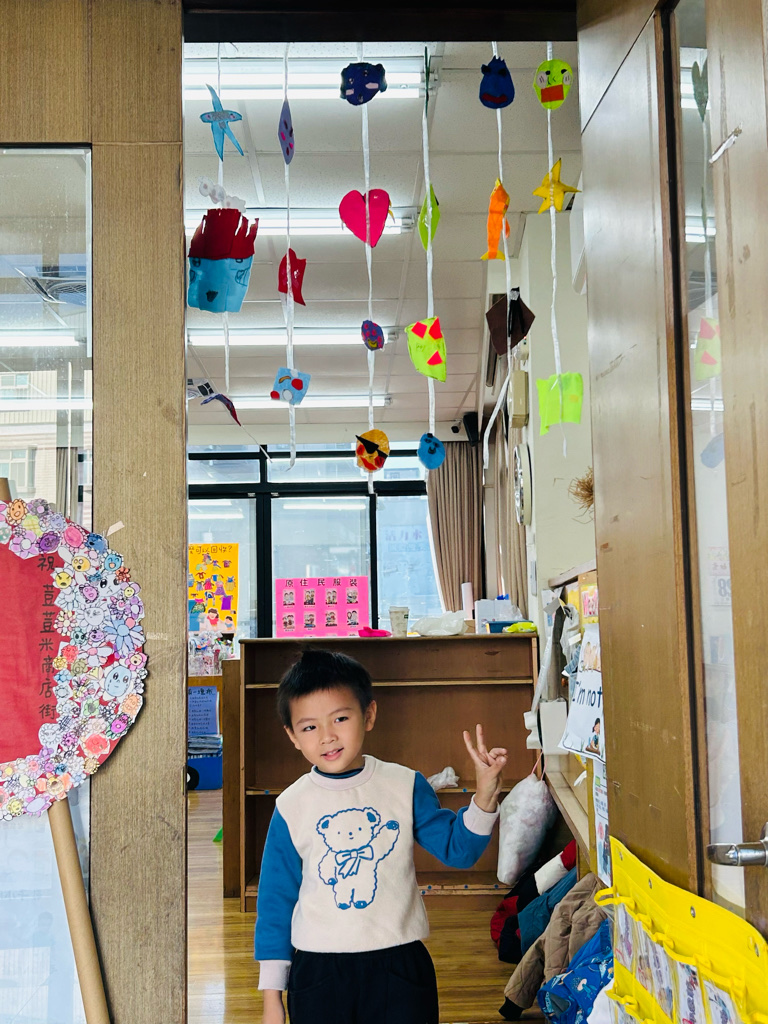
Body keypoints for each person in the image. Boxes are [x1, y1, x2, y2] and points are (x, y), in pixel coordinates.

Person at [255, 648, 507, 1024]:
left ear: (369, 714)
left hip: (399, 965)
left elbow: (459, 850)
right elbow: (275, 903)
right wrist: (271, 996)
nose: (327, 737)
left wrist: (485, 795)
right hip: (317, 971)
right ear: (292, 735)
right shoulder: (291, 805)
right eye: (309, 727)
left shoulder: (405, 784)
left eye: (340, 718)